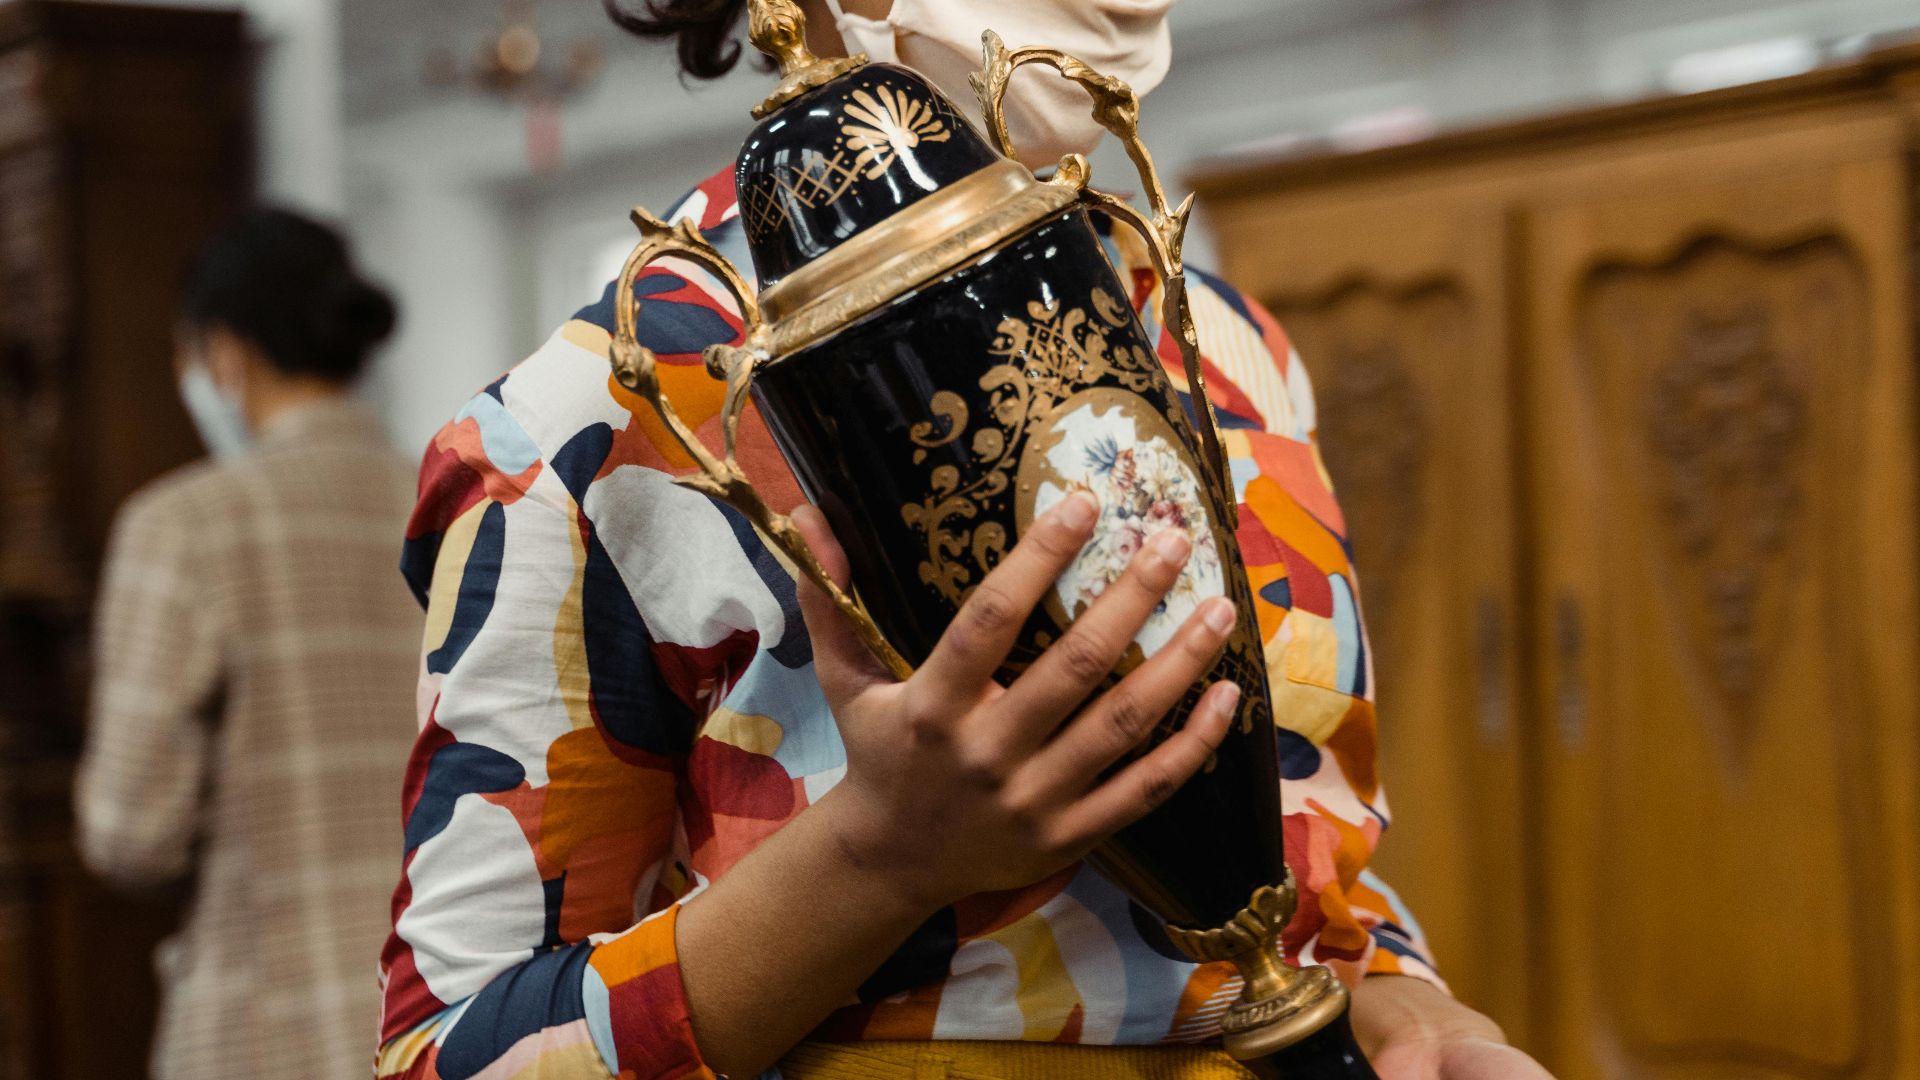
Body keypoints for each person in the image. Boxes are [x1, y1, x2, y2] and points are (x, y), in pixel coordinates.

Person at [376, 2, 1556, 1078]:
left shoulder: (1226, 342)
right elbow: (443, 1055)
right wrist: (873, 861)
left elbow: (1314, 860)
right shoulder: (589, 425)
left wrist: (1406, 1005)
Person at [76, 208, 422, 1080]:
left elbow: (129, 829)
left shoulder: (181, 526)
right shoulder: (451, 499)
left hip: (265, 1019)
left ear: (223, 352)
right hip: (448, 1007)